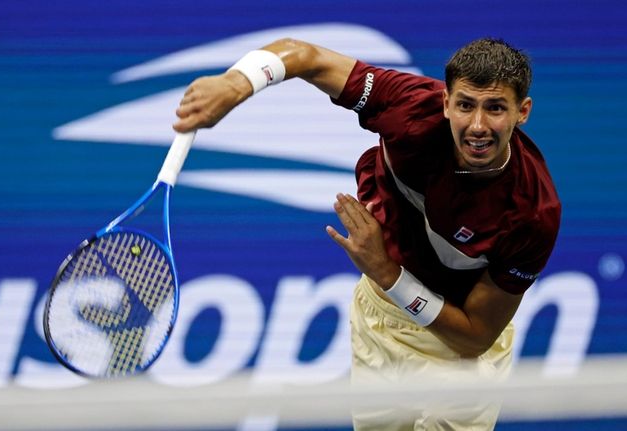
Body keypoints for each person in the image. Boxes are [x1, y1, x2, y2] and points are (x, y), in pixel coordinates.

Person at [173, 37, 561, 430]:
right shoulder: (410, 109)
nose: (478, 126)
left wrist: (387, 273)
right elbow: (306, 56)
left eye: (495, 108)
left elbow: (476, 338)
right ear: (445, 103)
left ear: (522, 111)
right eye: (465, 105)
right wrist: (237, 83)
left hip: (460, 353)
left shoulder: (532, 212)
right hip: (380, 320)